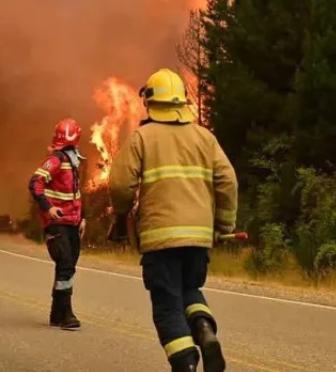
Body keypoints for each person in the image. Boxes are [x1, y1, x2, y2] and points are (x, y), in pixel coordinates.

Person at [108, 68, 238, 372]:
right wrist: (224, 225)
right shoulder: (205, 137)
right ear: (182, 100)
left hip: (160, 238)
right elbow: (228, 181)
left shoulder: (142, 137)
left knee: (167, 303)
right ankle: (204, 327)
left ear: (150, 102)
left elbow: (120, 185)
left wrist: (122, 214)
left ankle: (185, 364)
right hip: (198, 238)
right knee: (190, 289)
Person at [28, 118, 87, 331]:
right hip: (57, 222)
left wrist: (82, 217)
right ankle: (67, 314)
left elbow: (76, 193)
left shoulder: (73, 161)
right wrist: (48, 208)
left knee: (67, 267)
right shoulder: (55, 159)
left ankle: (56, 314)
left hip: (72, 222)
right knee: (65, 265)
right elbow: (35, 182)